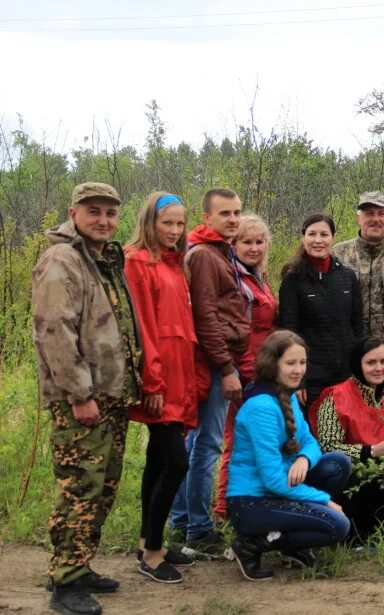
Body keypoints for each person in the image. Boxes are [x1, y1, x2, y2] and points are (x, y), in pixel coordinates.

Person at [33, 182, 142, 615]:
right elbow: (53, 331)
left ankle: (79, 565)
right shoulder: (62, 260)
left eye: (110, 213)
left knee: (102, 485)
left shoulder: (102, 259)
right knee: (80, 486)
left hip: (111, 394)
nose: (103, 220)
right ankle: (66, 583)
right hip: (82, 398)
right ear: (74, 213)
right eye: (93, 211)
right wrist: (79, 393)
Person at [227, 331, 351, 581]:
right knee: (338, 525)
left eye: (302, 363)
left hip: (280, 489)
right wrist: (324, 500)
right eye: (291, 363)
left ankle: (292, 545)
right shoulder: (261, 407)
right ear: (273, 364)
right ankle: (252, 544)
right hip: (251, 503)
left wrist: (304, 459)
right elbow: (272, 480)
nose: (298, 370)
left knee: (338, 463)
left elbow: (310, 443)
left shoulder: (288, 395)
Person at [171, 187, 250, 559]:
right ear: (207, 218)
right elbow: (206, 316)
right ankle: (199, 529)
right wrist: (226, 367)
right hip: (216, 363)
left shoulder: (222, 251)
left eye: (236, 213)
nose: (233, 219)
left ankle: (182, 519)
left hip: (216, 362)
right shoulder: (204, 254)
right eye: (225, 214)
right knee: (206, 445)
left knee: (194, 443)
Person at [123, 192, 197, 583]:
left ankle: (147, 541)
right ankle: (151, 554)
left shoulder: (175, 265)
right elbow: (143, 328)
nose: (173, 230)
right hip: (159, 379)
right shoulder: (138, 261)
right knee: (176, 462)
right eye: (166, 222)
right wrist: (151, 381)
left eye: (180, 223)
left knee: (157, 461)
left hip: (179, 377)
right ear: (150, 221)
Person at [311, 337, 384, 536]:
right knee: (372, 477)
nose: (379, 368)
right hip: (347, 478)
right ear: (357, 364)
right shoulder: (336, 396)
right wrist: (371, 451)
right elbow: (327, 448)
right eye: (371, 362)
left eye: (383, 362)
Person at [215, 214, 278, 520]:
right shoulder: (233, 277)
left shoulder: (257, 276)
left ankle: (249, 503)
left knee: (257, 441)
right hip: (241, 372)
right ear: (233, 243)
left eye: (259, 241)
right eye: (246, 241)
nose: (254, 248)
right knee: (235, 441)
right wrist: (233, 370)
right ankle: (223, 508)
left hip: (261, 370)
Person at [279, 213, 364, 409]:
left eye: (324, 234)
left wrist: (359, 372)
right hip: (311, 380)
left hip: (345, 375)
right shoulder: (292, 280)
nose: (318, 240)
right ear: (303, 238)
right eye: (312, 234)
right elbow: (288, 333)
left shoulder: (347, 277)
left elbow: (357, 327)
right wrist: (298, 380)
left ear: (333, 238)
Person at [333, 191, 384, 380]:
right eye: (369, 213)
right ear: (358, 218)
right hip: (349, 357)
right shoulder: (338, 254)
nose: (375, 219)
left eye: (381, 214)